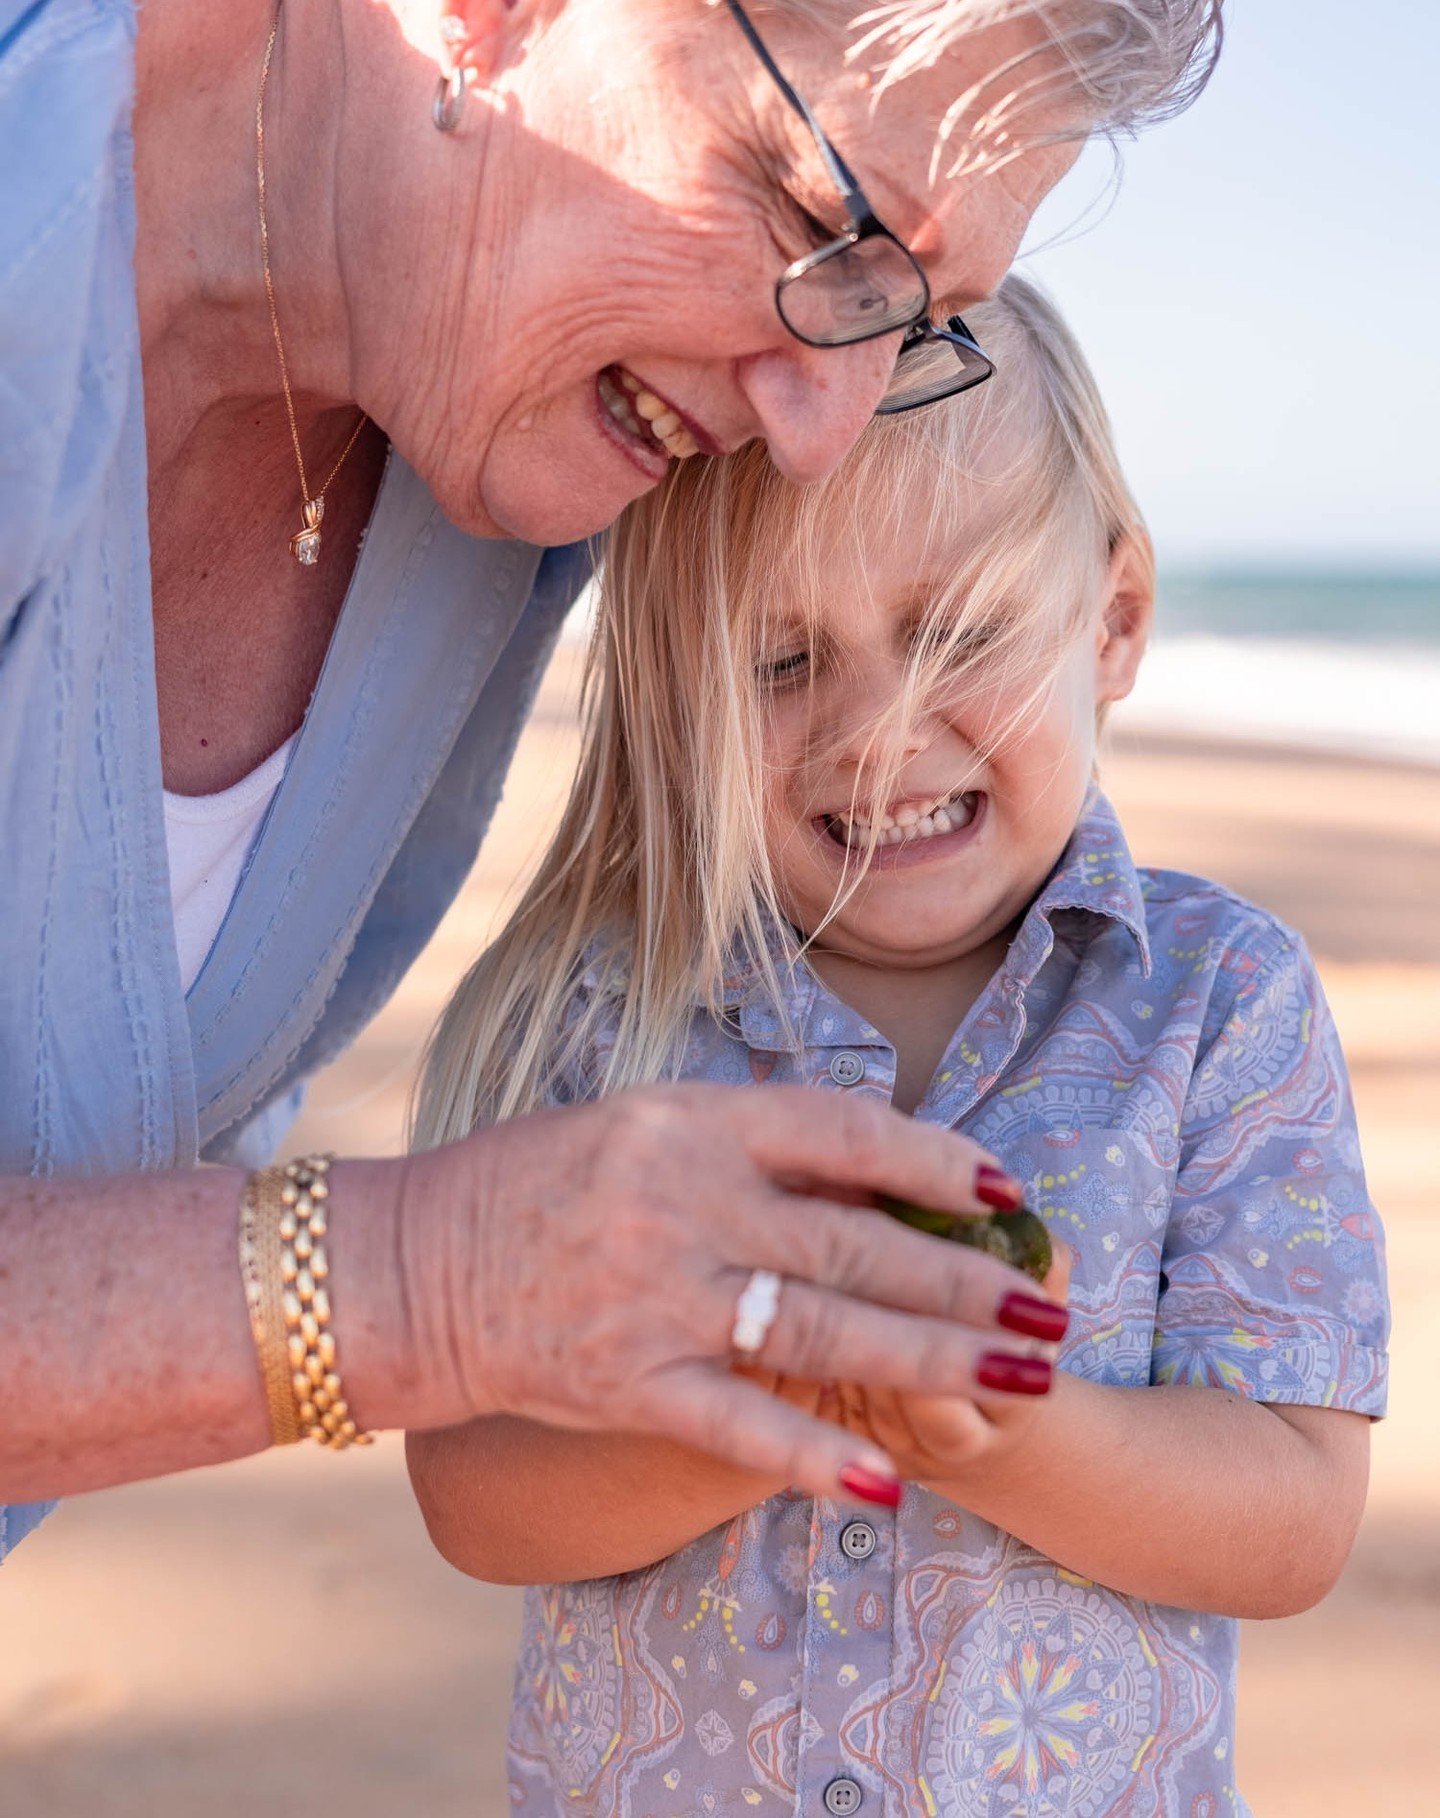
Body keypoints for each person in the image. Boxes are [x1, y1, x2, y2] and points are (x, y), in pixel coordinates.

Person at [0, 0, 1225, 1560]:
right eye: (817, 214)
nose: (816, 430)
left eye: (910, 324)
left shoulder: (521, 485)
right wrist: (424, 1279)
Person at [405, 275, 1388, 1816]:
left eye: (957, 635)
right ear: (685, 690)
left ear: (1113, 620)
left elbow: (1293, 1517)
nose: (877, 729)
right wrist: (791, 1394)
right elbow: (476, 1492)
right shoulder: (602, 1019)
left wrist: (998, 1426)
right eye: (783, 663)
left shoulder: (1222, 1005)